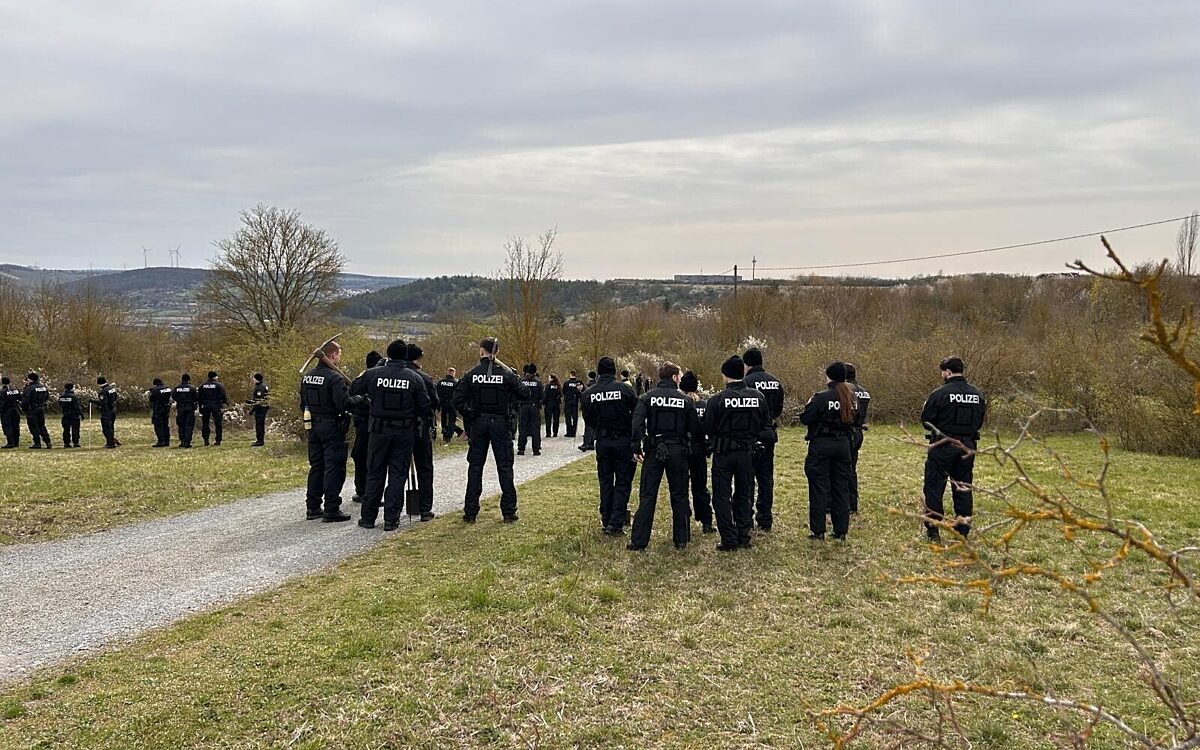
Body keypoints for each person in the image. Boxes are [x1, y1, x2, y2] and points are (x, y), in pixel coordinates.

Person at [358, 339, 432, 530]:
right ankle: (391, 519)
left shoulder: (373, 374)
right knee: (398, 475)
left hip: (378, 431)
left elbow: (354, 390)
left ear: (388, 354)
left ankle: (368, 517)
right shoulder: (414, 378)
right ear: (405, 355)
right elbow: (425, 406)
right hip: (403, 431)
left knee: (375, 473)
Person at [453, 337, 528, 522]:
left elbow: (457, 400)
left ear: (481, 351)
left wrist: (470, 415)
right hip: (501, 424)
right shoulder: (507, 374)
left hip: (478, 424)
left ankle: (470, 512)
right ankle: (509, 511)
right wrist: (513, 375)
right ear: (498, 352)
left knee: (475, 467)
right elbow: (524, 393)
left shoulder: (471, 374)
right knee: (505, 467)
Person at [628, 362, 701, 551]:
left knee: (647, 495)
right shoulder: (685, 400)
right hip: (678, 450)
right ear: (675, 377)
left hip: (654, 449)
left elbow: (636, 424)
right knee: (679, 494)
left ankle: (639, 541)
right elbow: (694, 429)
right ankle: (681, 539)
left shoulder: (647, 397)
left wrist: (636, 447)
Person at [705, 356, 770, 551]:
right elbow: (763, 422)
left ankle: (728, 538)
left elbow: (708, 427)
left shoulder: (717, 399)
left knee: (721, 496)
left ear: (725, 375)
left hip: (724, 453)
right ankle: (744, 534)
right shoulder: (758, 396)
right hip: (747, 453)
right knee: (744, 493)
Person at [921, 356, 987, 541]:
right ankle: (963, 530)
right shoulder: (977, 394)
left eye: (942, 372)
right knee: (963, 487)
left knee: (934, 487)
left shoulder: (940, 394)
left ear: (947, 372)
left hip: (943, 444)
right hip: (967, 445)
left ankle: (934, 530)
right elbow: (980, 420)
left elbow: (926, 420)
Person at [301, 339, 362, 522]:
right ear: (333, 355)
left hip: (312, 426)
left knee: (317, 466)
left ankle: (312, 507)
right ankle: (331, 508)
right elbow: (344, 403)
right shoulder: (335, 378)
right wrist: (359, 398)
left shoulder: (307, 377)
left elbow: (301, 403)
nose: (339, 358)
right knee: (334, 467)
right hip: (332, 426)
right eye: (339, 355)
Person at [582, 356, 638, 535]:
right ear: (614, 371)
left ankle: (606, 518)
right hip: (623, 441)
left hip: (603, 441)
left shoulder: (589, 393)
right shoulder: (625, 390)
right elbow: (637, 413)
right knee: (623, 482)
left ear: (598, 371)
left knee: (605, 481)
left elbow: (588, 420)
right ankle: (616, 522)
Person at [800, 362, 856, 541]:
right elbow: (855, 420)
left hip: (822, 445)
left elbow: (806, 418)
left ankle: (818, 530)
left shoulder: (821, 398)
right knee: (841, 487)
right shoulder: (851, 398)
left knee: (819, 487)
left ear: (829, 377)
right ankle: (841, 530)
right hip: (843, 445)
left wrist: (809, 404)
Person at [742, 347, 784, 532]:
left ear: (747, 364)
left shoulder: (745, 383)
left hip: (750, 434)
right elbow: (778, 409)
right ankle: (765, 518)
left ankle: (747, 517)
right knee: (766, 477)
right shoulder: (775, 382)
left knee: (748, 476)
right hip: (768, 432)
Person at [406, 343, 439, 521]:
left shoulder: (395, 374)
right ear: (416, 359)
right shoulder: (424, 378)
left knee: (398, 470)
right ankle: (425, 509)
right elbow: (434, 402)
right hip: (421, 429)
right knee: (425, 468)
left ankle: (393, 513)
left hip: (401, 429)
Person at [680, 370, 714, 534]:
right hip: (700, 450)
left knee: (681, 487)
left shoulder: (681, 403)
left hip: (683, 449)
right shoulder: (705, 405)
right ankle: (706, 521)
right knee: (700, 487)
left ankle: (684, 518)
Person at [349, 351, 383, 503]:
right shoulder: (374, 377)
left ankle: (363, 490)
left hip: (364, 423)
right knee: (368, 457)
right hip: (369, 422)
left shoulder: (362, 377)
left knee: (362, 455)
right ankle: (366, 491)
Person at [845, 363, 871, 513]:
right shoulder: (863, 392)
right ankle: (853, 503)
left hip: (847, 433)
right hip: (859, 432)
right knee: (852, 469)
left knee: (841, 469)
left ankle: (842, 504)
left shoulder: (846, 391)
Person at [517, 363, 543, 456]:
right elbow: (542, 396)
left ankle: (521, 448)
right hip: (534, 406)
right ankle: (536, 449)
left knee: (522, 428)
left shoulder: (521, 381)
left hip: (523, 406)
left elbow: (517, 393)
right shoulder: (538, 382)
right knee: (535, 428)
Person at [22, 373, 52, 449]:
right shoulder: (43, 387)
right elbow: (47, 397)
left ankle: (37, 443)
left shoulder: (29, 388)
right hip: (41, 409)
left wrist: (25, 409)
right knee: (42, 425)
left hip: (32, 409)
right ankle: (48, 441)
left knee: (33, 426)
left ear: (30, 379)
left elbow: (26, 401)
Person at [199, 371, 228, 446]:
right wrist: (222, 403)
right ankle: (218, 440)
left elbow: (199, 397)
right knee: (218, 423)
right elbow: (224, 396)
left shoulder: (203, 385)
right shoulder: (219, 385)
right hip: (216, 405)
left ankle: (206, 440)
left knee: (205, 423)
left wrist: (200, 406)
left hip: (205, 405)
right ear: (214, 377)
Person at [437, 367, 463, 443]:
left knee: (444, 420)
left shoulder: (440, 382)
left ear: (447, 373)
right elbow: (458, 394)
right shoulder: (455, 383)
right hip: (452, 405)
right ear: (453, 373)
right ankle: (449, 436)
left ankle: (445, 434)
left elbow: (437, 393)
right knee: (451, 421)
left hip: (443, 404)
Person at [91, 376, 119, 449]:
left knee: (106, 428)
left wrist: (93, 401)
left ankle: (110, 443)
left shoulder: (103, 391)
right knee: (111, 427)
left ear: (98, 383)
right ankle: (112, 441)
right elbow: (116, 397)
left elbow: (103, 403)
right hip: (113, 410)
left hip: (106, 411)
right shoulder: (111, 388)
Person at [172, 373, 198, 448]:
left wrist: (179, 401)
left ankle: (182, 441)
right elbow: (196, 397)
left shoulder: (177, 388)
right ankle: (187, 441)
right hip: (190, 408)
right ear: (189, 380)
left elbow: (173, 396)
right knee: (189, 425)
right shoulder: (192, 388)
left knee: (181, 425)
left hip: (180, 408)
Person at [149, 378, 173, 447]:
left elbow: (151, 399)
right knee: (165, 424)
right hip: (166, 409)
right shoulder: (168, 389)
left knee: (158, 425)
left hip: (158, 409)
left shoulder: (155, 390)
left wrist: (151, 392)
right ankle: (167, 441)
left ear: (155, 384)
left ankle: (161, 441)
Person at [247, 372, 270, 446]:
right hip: (263, 407)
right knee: (260, 424)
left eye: (254, 378)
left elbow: (259, 401)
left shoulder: (260, 388)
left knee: (259, 424)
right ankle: (260, 440)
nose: (253, 380)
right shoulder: (263, 386)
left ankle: (260, 441)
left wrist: (252, 410)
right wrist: (250, 402)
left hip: (260, 409)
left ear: (257, 379)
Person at [58, 382, 82, 448]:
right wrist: (80, 414)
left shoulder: (61, 397)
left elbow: (61, 405)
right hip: (74, 416)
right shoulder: (74, 397)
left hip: (65, 415)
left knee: (66, 430)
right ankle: (75, 442)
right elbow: (77, 407)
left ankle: (66, 443)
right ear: (71, 388)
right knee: (75, 430)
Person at [578, 370, 598, 451]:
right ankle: (591, 443)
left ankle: (585, 444)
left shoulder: (588, 385)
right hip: (595, 408)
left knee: (588, 426)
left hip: (588, 408)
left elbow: (585, 397)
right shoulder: (597, 385)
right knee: (593, 426)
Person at [1, 376, 21, 449]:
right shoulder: (15, 389)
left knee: (7, 426)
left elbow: (2, 403)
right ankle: (16, 442)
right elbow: (20, 398)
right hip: (16, 410)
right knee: (15, 426)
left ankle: (10, 443)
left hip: (6, 411)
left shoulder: (3, 391)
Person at [562, 369, 582, 438]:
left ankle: (569, 432)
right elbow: (580, 392)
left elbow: (563, 392)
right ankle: (574, 432)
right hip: (575, 402)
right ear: (575, 375)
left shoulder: (566, 383)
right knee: (575, 418)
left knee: (568, 417)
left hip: (568, 402)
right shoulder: (578, 383)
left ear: (570, 375)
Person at [543, 373, 563, 438]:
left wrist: (543, 403)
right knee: (556, 419)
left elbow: (545, 395)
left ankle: (548, 433)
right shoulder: (558, 386)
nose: (548, 379)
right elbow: (561, 394)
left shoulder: (548, 386)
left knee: (548, 419)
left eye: (549, 377)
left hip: (549, 404)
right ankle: (555, 433)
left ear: (552, 378)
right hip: (556, 404)